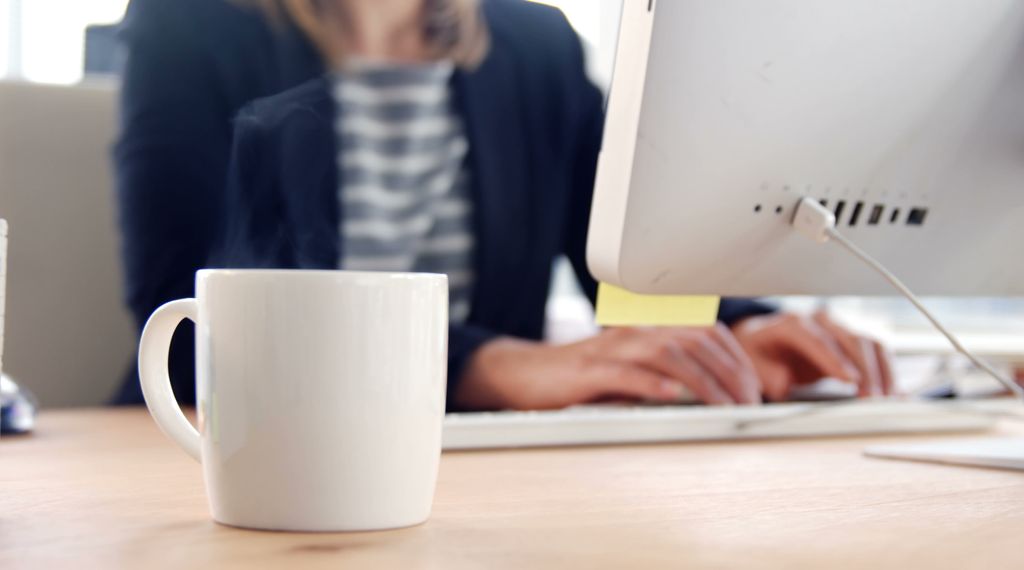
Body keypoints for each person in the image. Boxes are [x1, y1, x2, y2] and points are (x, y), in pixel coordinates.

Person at [115, 0, 892, 410]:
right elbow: (186, 317)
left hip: (488, 471)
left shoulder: (536, 45)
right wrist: (497, 366)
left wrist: (742, 331)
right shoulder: (191, 22)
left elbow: (629, 262)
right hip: (232, 444)